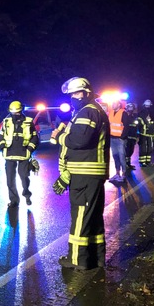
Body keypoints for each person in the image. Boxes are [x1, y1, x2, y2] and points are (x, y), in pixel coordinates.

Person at [50, 77, 110, 271]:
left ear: (87, 93)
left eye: (76, 94)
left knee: (81, 216)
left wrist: (59, 136)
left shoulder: (88, 111)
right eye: (71, 95)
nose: (73, 98)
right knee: (92, 217)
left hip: (85, 172)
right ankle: (96, 257)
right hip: (89, 172)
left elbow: (79, 140)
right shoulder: (90, 110)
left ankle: (77, 259)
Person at [0, 101, 39, 207]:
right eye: (13, 112)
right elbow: (1, 135)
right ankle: (14, 201)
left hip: (24, 153)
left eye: (17, 112)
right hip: (9, 153)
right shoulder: (6, 121)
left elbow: (35, 137)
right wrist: (2, 146)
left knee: (24, 176)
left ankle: (27, 194)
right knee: (10, 179)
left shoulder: (29, 121)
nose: (14, 114)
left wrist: (30, 149)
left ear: (21, 111)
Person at [108, 100, 132, 183]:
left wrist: (122, 137)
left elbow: (126, 126)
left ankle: (124, 174)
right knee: (115, 156)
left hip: (120, 139)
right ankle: (117, 173)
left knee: (122, 156)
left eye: (114, 103)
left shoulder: (123, 113)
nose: (112, 104)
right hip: (112, 138)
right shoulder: (111, 113)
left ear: (118, 105)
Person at [137, 99, 154, 167]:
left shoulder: (152, 112)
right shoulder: (141, 112)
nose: (148, 106)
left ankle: (148, 161)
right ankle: (142, 162)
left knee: (150, 148)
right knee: (143, 147)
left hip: (150, 133)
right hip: (143, 132)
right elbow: (140, 121)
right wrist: (146, 124)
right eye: (146, 105)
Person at [124, 102, 139, 170]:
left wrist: (136, 136)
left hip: (133, 136)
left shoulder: (134, 116)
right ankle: (125, 164)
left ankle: (128, 163)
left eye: (132, 108)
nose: (131, 109)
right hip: (126, 136)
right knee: (126, 151)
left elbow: (136, 127)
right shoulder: (125, 115)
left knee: (131, 151)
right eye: (130, 107)